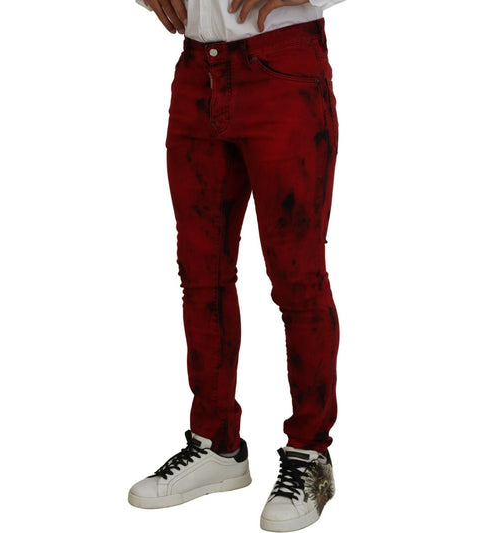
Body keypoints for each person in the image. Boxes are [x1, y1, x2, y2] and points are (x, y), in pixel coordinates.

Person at [128, 1, 345, 531]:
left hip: (283, 67)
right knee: (201, 276)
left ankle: (310, 453)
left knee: (297, 278)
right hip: (196, 69)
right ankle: (217, 445)